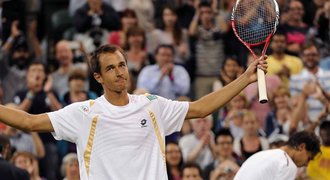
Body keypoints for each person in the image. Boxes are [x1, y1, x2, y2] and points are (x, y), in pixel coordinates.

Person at [0, 44, 267, 179]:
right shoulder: (84, 112)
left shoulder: (152, 105)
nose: (119, 72)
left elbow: (200, 108)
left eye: (122, 65)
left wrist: (245, 79)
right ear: (98, 77)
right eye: (110, 68)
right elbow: (29, 122)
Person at [234, 131, 321, 180]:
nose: (307, 164)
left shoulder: (261, 155)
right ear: (301, 147)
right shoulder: (287, 164)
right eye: (309, 158)